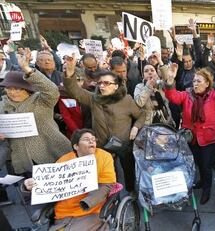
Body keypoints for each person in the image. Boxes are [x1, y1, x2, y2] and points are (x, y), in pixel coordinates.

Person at [63, 54, 146, 192]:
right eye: (100, 83)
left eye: (106, 83)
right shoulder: (93, 99)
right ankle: (111, 197)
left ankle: (132, 194)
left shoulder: (127, 100)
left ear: (115, 86)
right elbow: (74, 91)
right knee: (108, 175)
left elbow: (141, 115)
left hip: (124, 144)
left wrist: (136, 127)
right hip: (102, 145)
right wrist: (70, 72)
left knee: (128, 171)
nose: (102, 86)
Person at [163, 64, 215, 204]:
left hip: (209, 138)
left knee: (206, 165)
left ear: (207, 83)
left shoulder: (214, 96)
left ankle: (207, 189)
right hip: (191, 138)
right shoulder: (187, 94)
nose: (195, 84)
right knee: (197, 162)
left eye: (199, 81)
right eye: (194, 81)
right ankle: (201, 181)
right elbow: (172, 96)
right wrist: (170, 80)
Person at [23, 129, 116, 231]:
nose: (91, 141)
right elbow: (49, 184)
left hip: (91, 209)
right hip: (63, 211)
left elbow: (107, 185)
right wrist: (28, 187)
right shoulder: (64, 161)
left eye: (93, 139)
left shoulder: (104, 157)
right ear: (76, 146)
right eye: (86, 139)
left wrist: (88, 202)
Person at [0, 52, 72, 176]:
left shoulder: (41, 100)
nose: (12, 92)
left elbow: (52, 90)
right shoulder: (2, 105)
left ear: (27, 90)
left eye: (17, 88)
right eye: (8, 88)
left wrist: (28, 70)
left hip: (53, 153)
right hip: (24, 162)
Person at [134, 61, 175, 127]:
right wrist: (148, 87)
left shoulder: (161, 84)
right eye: (146, 71)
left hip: (165, 121)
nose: (149, 72)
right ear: (143, 75)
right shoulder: (139, 87)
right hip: (148, 124)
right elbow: (139, 102)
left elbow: (168, 82)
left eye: (152, 70)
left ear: (156, 73)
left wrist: (161, 62)